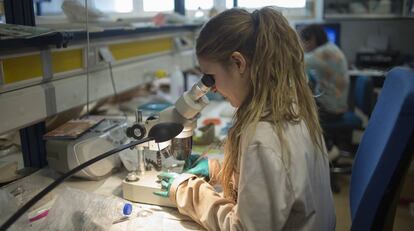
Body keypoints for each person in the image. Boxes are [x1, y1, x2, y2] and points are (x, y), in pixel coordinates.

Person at [154, 7, 336, 230]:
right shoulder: (292, 104)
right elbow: (277, 184)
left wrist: (187, 191)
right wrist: (219, 171)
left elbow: (243, 228)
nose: (210, 89)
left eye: (210, 78)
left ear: (239, 63)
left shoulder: (263, 137)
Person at [299, 24, 350, 127]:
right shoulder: (331, 47)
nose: (302, 46)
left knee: (295, 115)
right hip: (337, 108)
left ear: (312, 39)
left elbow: (298, 62)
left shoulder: (323, 52)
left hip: (330, 111)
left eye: (302, 42)